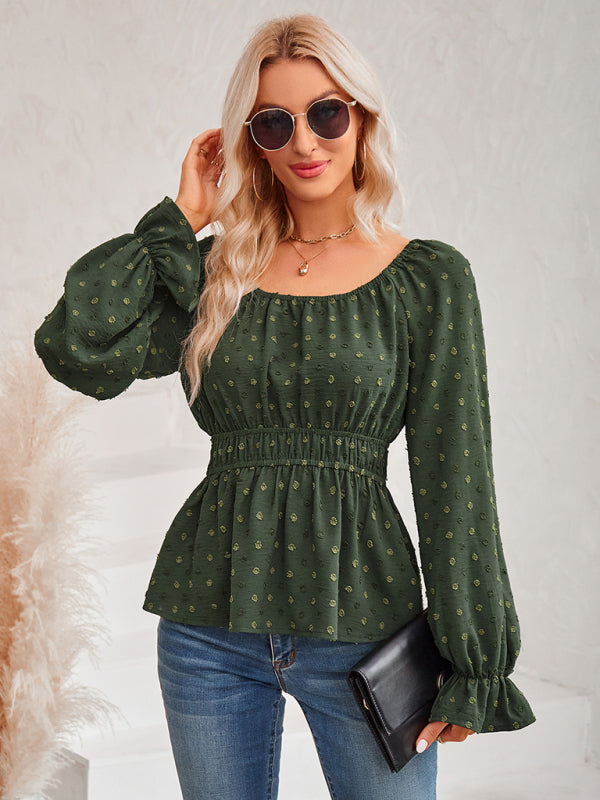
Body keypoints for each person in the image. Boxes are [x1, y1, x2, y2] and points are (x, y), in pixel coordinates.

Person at [34, 13, 536, 800]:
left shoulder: (428, 280)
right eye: (275, 123)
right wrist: (180, 220)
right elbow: (75, 345)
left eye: (326, 114)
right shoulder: (215, 272)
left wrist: (475, 660)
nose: (305, 141)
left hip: (364, 632)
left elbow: (457, 476)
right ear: (253, 143)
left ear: (363, 119)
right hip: (208, 630)